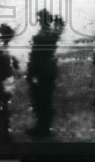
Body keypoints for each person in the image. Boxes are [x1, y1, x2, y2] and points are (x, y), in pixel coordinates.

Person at [26, 9, 64, 137]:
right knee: (47, 98)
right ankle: (45, 126)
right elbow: (59, 30)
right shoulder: (53, 33)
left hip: (40, 69)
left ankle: (42, 127)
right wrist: (59, 23)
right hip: (50, 67)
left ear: (41, 21)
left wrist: (30, 73)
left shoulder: (39, 37)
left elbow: (34, 56)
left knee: (39, 99)